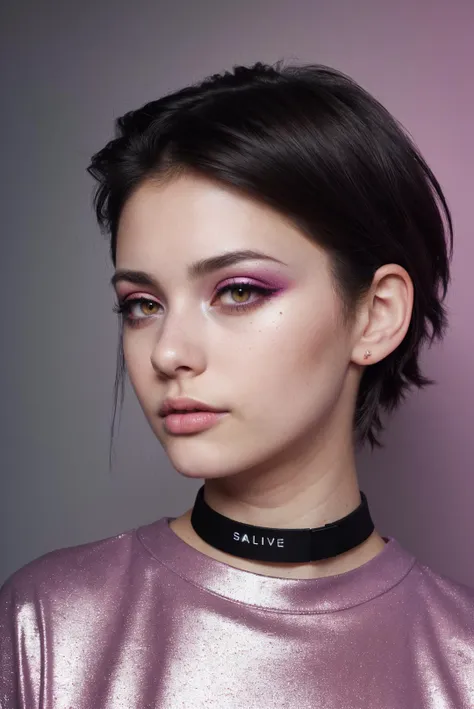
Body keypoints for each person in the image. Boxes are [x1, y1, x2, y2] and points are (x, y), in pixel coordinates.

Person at [1, 60, 473, 708]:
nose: (167, 351)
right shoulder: (46, 623)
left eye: (239, 290)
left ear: (376, 313)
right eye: (142, 303)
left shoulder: (464, 658)